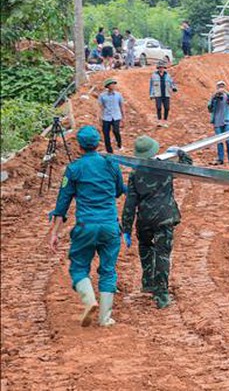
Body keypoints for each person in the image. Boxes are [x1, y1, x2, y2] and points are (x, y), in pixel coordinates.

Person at [47, 125, 125, 327]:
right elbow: (119, 191)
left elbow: (62, 205)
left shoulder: (74, 169)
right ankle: (105, 318)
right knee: (108, 270)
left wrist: (54, 233)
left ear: (79, 147)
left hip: (86, 226)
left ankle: (90, 300)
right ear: (98, 143)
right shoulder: (111, 164)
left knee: (79, 267)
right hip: (109, 226)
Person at [122, 137, 192, 309]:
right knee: (162, 254)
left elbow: (130, 203)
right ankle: (161, 295)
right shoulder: (164, 167)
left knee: (145, 246)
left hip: (144, 219)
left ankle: (148, 282)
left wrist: (126, 228)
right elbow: (189, 167)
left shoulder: (135, 174)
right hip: (164, 218)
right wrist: (180, 152)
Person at [207, 80, 229, 165]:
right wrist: (214, 96)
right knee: (219, 141)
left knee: (228, 140)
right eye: (219, 86)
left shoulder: (227, 97)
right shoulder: (214, 97)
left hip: (226, 120)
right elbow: (209, 108)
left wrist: (224, 92)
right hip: (217, 121)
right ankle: (221, 158)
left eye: (222, 86)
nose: (221, 88)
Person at [98, 78, 124, 153]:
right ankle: (109, 150)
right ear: (107, 86)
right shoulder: (102, 96)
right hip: (106, 117)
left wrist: (123, 117)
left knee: (116, 131)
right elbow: (101, 107)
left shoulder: (118, 95)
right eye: (111, 84)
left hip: (116, 116)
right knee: (106, 133)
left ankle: (119, 144)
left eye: (114, 84)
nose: (113, 86)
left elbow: (121, 106)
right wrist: (99, 117)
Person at [149, 60, 177, 127]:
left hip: (166, 94)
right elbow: (151, 85)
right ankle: (159, 121)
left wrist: (174, 88)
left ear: (164, 68)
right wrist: (151, 94)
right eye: (160, 67)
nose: (161, 68)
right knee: (158, 107)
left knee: (167, 108)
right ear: (158, 68)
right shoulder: (154, 76)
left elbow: (172, 83)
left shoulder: (168, 75)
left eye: (162, 67)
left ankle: (165, 121)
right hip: (158, 94)